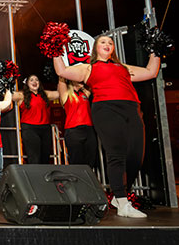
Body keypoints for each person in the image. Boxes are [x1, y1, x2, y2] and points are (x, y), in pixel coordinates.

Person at [54, 35, 160, 218]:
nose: (107, 44)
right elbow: (62, 71)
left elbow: (151, 71)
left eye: (110, 42)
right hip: (106, 109)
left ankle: (119, 195)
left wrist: (156, 49)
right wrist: (54, 49)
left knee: (136, 155)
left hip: (131, 108)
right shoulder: (88, 68)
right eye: (103, 42)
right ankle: (122, 200)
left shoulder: (123, 68)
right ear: (95, 48)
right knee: (116, 154)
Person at [12, 74, 59, 164]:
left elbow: (59, 94)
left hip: (45, 128)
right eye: (31, 80)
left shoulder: (45, 94)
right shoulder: (22, 95)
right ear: (27, 84)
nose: (34, 82)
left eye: (36, 80)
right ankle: (35, 176)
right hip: (30, 128)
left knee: (45, 157)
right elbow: (10, 95)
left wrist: (62, 79)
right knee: (34, 157)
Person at [57, 78, 97, 167]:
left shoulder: (85, 93)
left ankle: (88, 180)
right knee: (77, 161)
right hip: (73, 131)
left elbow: (91, 78)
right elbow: (61, 78)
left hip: (89, 130)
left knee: (91, 160)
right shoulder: (66, 94)